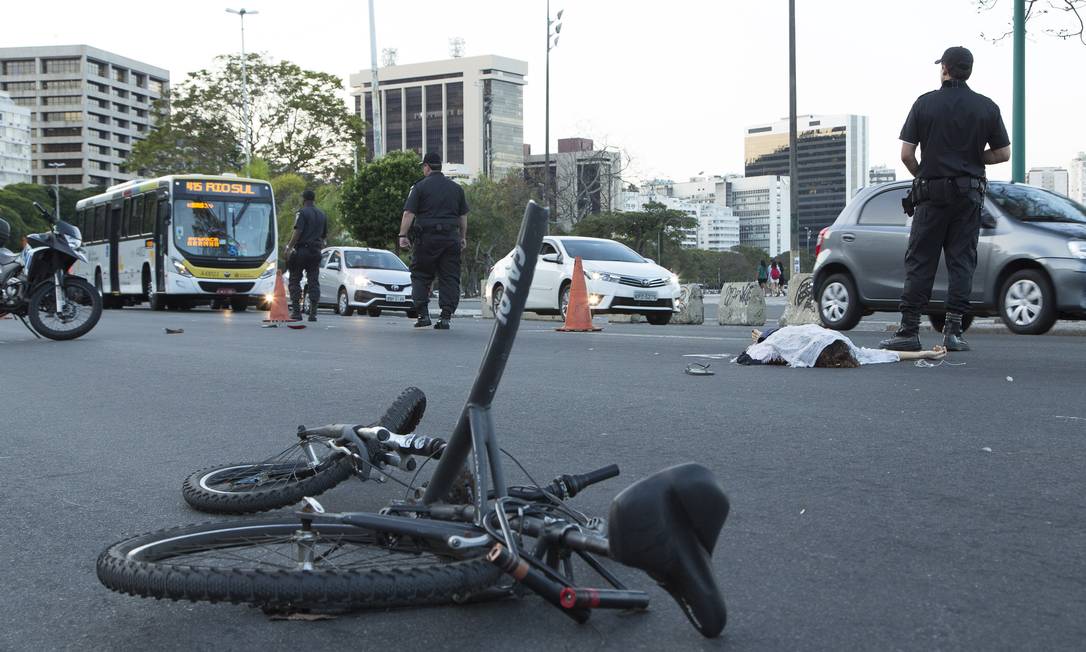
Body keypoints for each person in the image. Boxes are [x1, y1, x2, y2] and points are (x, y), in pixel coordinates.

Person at [880, 46, 1011, 353]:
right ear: (969, 70)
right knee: (962, 262)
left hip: (932, 195)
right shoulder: (987, 107)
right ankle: (953, 333)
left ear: (945, 69)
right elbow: (1004, 153)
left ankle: (908, 330)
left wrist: (924, 172)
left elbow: (906, 154)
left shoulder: (925, 104)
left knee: (920, 261)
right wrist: (972, 157)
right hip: (969, 197)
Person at [397, 152, 469, 330]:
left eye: (423, 166)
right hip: (450, 238)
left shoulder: (419, 187)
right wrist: (462, 237)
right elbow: (463, 217)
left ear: (427, 166)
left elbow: (408, 213)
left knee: (421, 274)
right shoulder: (456, 189)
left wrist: (402, 235)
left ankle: (423, 315)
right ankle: (445, 317)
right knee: (450, 276)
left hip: (426, 239)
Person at [739, 324, 946, 368]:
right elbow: (885, 354)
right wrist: (924, 353)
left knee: (765, 338)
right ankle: (762, 335)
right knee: (764, 339)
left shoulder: (798, 350)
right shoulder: (849, 348)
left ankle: (762, 334)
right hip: (789, 333)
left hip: (783, 334)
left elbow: (758, 353)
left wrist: (761, 340)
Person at [284, 189, 327, 322]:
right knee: (313, 281)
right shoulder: (322, 214)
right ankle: (313, 313)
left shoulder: (301, 212)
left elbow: (297, 232)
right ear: (314, 199)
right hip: (316, 251)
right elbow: (324, 236)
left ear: (304, 199)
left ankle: (297, 312)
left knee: (295, 279)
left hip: (302, 251)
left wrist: (289, 248)